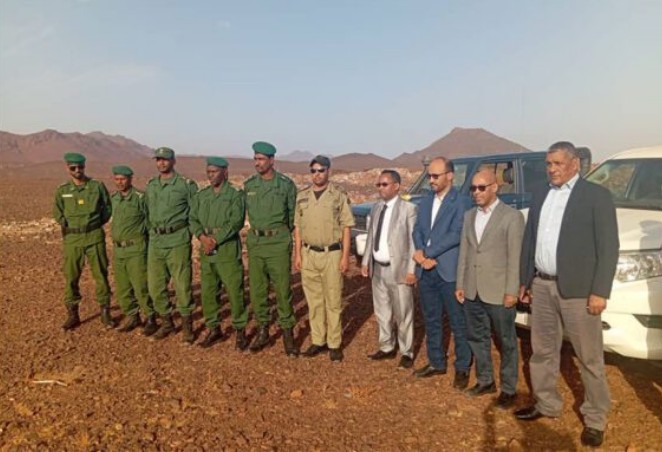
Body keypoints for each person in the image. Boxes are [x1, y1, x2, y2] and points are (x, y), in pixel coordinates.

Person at [515, 141, 619, 447]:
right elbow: (530, 239)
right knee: (543, 351)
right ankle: (546, 403)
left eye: (558, 163)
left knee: (589, 357)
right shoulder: (541, 193)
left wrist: (600, 291)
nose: (552, 169)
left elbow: (608, 247)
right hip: (542, 285)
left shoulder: (596, 196)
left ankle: (595, 418)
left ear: (575, 164)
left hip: (579, 290)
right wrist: (525, 280)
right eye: (548, 164)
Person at [455, 170, 524, 408]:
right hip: (472, 288)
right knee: (476, 336)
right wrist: (460, 283)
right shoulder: (469, 216)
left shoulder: (512, 217)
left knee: (506, 341)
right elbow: (465, 251)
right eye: (473, 188)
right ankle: (485, 380)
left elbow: (515, 257)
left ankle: (509, 389)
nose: (476, 192)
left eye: (481, 187)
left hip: (499, 290)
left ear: (495, 187)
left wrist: (512, 290)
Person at [412, 156, 472, 388]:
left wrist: (427, 253)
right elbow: (417, 229)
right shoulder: (426, 201)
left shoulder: (461, 202)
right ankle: (436, 362)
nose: (431, 180)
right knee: (431, 318)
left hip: (448, 270)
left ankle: (462, 367)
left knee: (458, 322)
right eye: (429, 176)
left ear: (450, 176)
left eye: (435, 176)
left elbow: (456, 234)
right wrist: (420, 254)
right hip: (426, 271)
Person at [294, 155, 355, 362]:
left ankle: (334, 343)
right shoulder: (302, 196)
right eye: (313, 171)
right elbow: (298, 228)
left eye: (321, 170)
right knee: (314, 300)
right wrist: (298, 254)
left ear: (329, 171)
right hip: (309, 254)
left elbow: (346, 227)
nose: (317, 174)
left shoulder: (338, 195)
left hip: (332, 254)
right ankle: (318, 340)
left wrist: (345, 257)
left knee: (333, 300)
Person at [244, 141, 299, 356]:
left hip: (278, 243)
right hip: (257, 244)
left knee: (283, 290)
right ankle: (263, 331)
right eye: (255, 159)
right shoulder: (250, 186)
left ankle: (288, 334)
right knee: (258, 290)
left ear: (271, 160)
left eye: (261, 159)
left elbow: (292, 217)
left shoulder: (285, 185)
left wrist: (282, 236)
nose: (257, 163)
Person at [189, 157, 249, 350]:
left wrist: (215, 240)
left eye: (214, 171)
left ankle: (240, 331)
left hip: (227, 250)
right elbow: (193, 218)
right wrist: (202, 237)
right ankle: (214, 328)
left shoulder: (234, 195)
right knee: (208, 291)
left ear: (225, 172)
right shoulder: (202, 196)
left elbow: (236, 221)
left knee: (234, 291)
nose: (211, 175)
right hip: (207, 249)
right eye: (208, 172)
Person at [360, 170, 418, 369]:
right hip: (378, 269)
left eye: (384, 184)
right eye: (378, 184)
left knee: (403, 313)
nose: (380, 188)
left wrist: (412, 270)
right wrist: (366, 261)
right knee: (382, 311)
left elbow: (413, 242)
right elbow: (371, 235)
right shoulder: (377, 207)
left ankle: (407, 351)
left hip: (399, 268)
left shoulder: (408, 209)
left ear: (396, 186)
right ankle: (386, 347)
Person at [53, 152, 114, 330]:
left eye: (80, 167)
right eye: (73, 168)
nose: (77, 170)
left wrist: (96, 223)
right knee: (71, 276)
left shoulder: (96, 186)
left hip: (94, 236)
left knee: (101, 275)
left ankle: (105, 312)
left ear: (84, 167)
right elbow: (57, 212)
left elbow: (107, 207)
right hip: (73, 240)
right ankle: (73, 314)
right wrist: (69, 226)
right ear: (67, 168)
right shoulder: (63, 190)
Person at [144, 147, 198, 343]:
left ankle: (187, 327)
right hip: (156, 241)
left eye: (165, 159)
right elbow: (147, 212)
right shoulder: (152, 185)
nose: (161, 163)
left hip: (177, 240)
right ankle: (167, 322)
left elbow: (195, 212)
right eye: (158, 159)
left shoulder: (185, 185)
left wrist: (188, 235)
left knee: (182, 285)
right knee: (155, 286)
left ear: (173, 161)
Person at [110, 165, 157, 335]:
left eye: (123, 179)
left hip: (136, 249)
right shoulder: (114, 199)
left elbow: (150, 221)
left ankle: (150, 317)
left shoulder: (140, 198)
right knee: (123, 288)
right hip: (118, 250)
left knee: (140, 285)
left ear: (130, 179)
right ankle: (132, 316)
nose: (119, 182)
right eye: (117, 179)